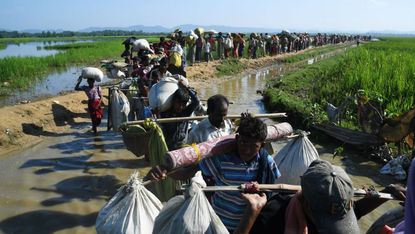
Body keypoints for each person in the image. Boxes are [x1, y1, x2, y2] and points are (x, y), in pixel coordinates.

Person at [145, 114, 281, 232]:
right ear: (237, 138)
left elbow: (271, 189)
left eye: (253, 146)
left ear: (262, 145)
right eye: (244, 142)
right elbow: (188, 172)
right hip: (218, 222)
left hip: (250, 223)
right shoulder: (222, 159)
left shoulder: (266, 163)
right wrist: (165, 171)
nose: (246, 150)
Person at [243, 160, 407, 234]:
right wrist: (251, 214)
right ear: (306, 205)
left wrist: (387, 191)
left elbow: (356, 209)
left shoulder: (333, 207)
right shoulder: (273, 216)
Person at [157, 84, 200, 151]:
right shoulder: (165, 113)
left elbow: (196, 102)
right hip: (168, 148)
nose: (180, 107)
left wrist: (187, 89)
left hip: (182, 147)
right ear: (173, 101)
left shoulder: (185, 113)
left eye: (183, 104)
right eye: (178, 103)